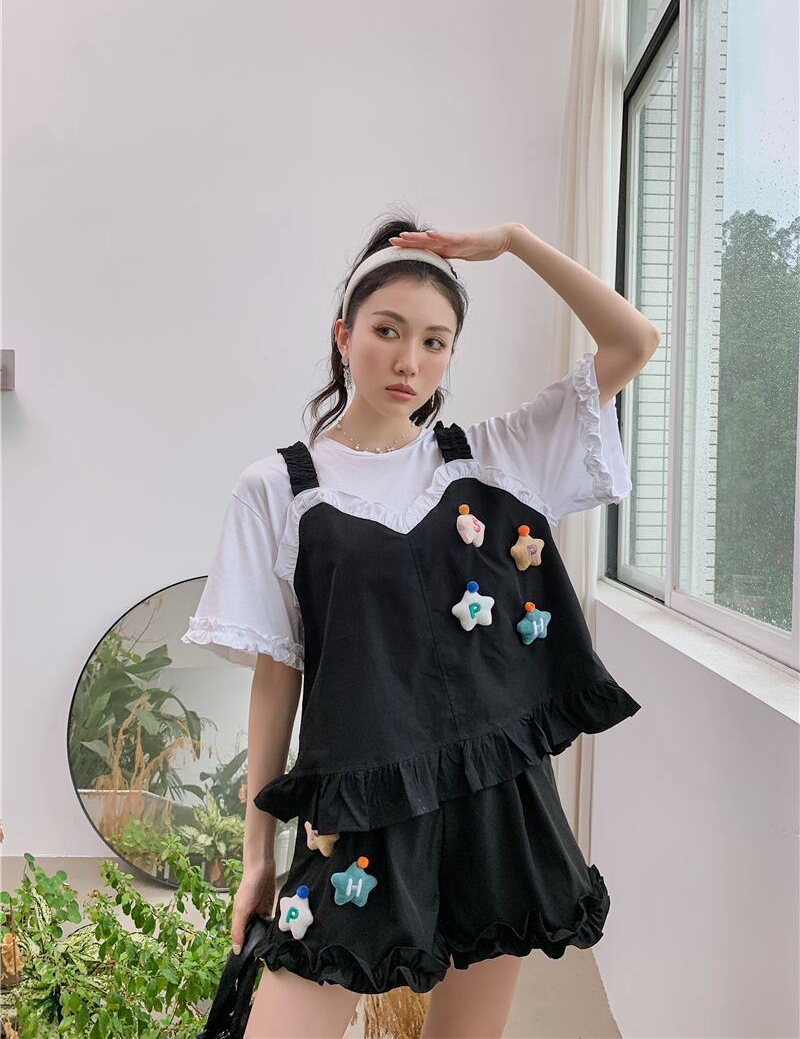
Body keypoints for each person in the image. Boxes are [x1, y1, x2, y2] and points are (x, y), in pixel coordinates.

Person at [182, 215, 652, 1039]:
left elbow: (633, 341)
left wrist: (514, 242)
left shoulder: (494, 458)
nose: (410, 362)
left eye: (436, 342)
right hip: (359, 810)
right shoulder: (279, 488)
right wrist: (257, 856)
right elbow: (278, 676)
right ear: (344, 337)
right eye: (388, 332)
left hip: (497, 803)